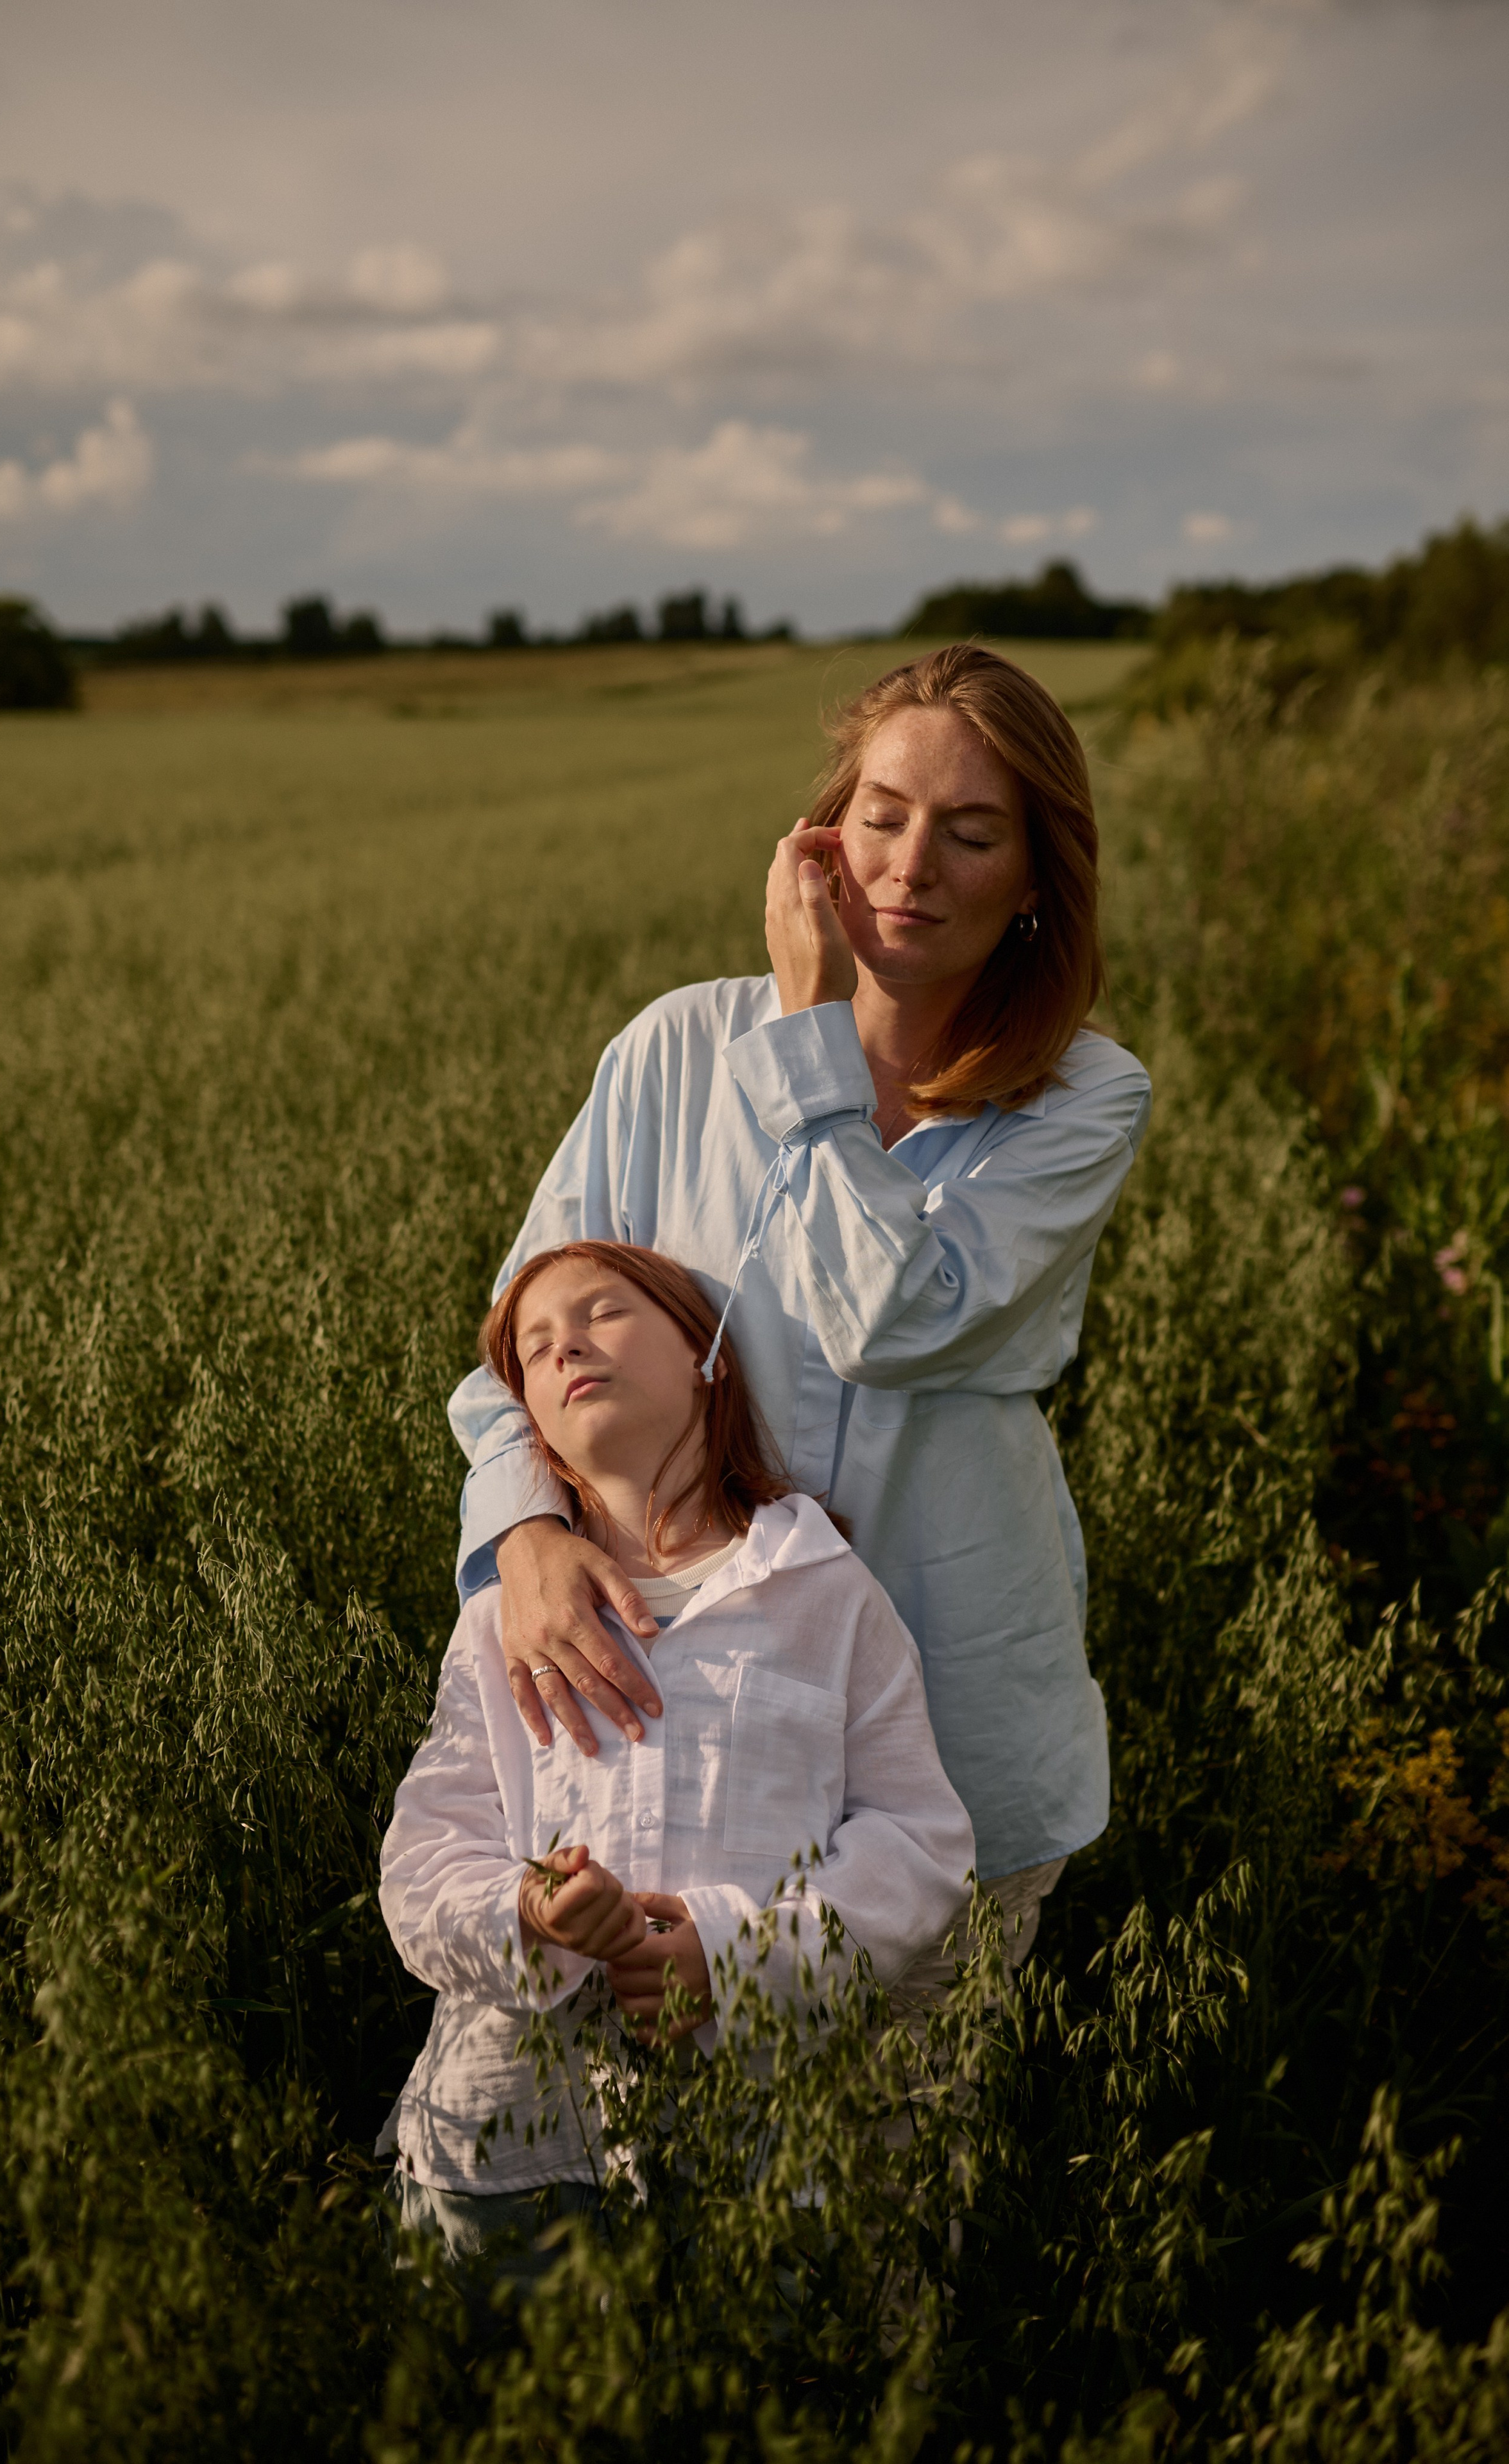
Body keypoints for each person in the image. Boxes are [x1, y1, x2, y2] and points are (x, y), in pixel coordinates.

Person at [448, 644, 1151, 1968]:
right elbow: (512, 1357)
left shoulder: (1077, 1104)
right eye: (879, 816)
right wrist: (525, 1531)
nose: (906, 866)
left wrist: (808, 1035)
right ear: (819, 837)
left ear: (1035, 886)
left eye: (969, 832)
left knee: (891, 2155)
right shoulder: (669, 1052)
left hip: (945, 1741)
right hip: (672, 1736)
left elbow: (888, 1323)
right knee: (629, 2142)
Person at [378, 1242, 976, 2263]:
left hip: (758, 2163)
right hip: (509, 2167)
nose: (564, 1344)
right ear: (538, 1432)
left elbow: (918, 1846)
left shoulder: (825, 1595)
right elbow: (421, 1863)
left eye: (602, 1313)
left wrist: (734, 1952)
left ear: (711, 1358)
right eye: (533, 1348)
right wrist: (532, 1910)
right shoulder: (498, 1627)